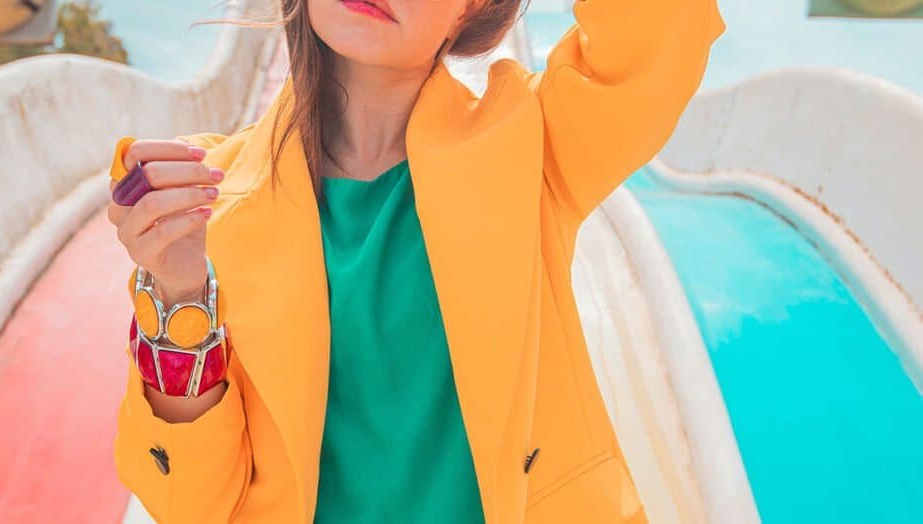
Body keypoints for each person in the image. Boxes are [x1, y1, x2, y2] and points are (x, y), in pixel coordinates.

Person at [105, 0, 725, 522]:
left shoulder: (532, 141)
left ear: (472, 10)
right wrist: (179, 294)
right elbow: (196, 507)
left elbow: (657, 35)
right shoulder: (206, 196)